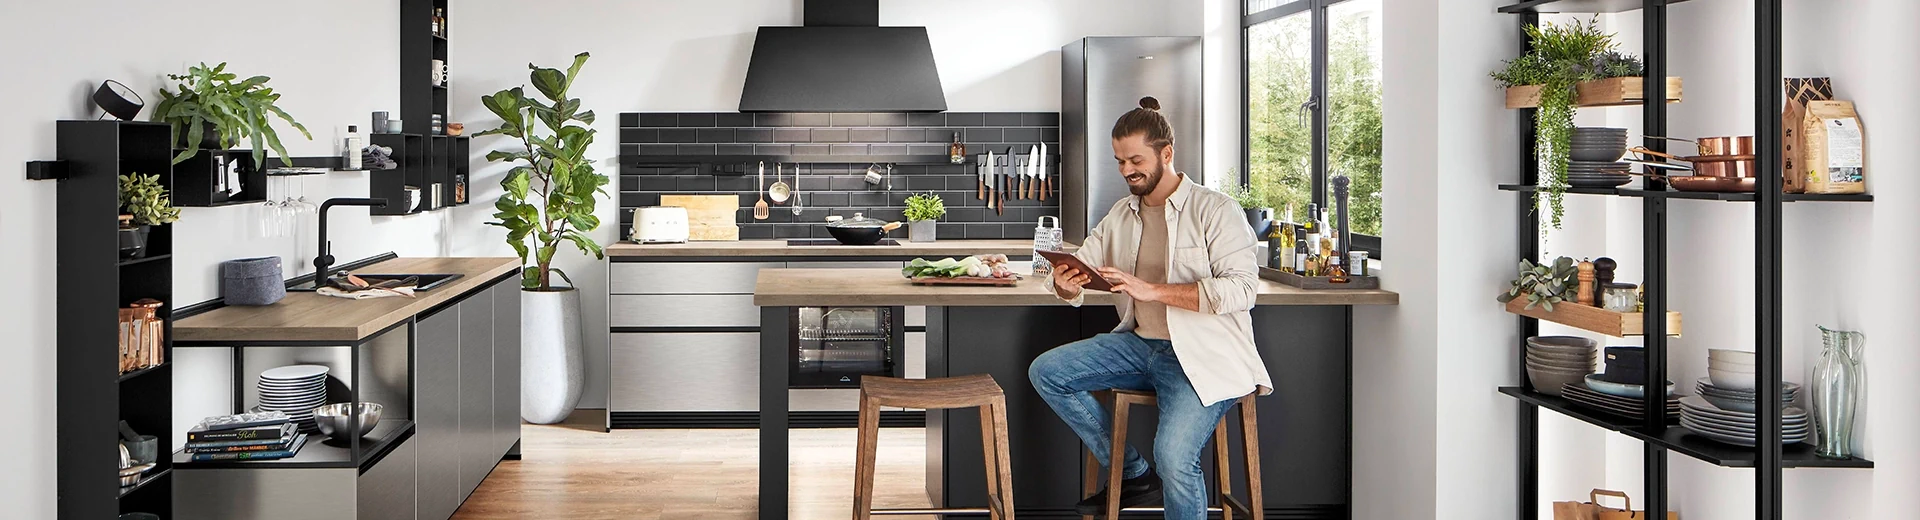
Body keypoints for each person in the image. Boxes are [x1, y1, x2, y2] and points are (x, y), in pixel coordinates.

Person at [1028, 96, 1270, 520]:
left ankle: (1151, 473)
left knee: (1174, 457)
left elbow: (1241, 290)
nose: (1126, 171)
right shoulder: (1121, 213)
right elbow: (1082, 262)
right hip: (1140, 346)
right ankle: (1135, 474)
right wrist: (1066, 285)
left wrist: (1153, 291)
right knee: (1047, 372)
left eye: (1135, 159)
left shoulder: (1215, 210)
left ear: (1167, 153)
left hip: (1202, 353)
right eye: (1120, 161)